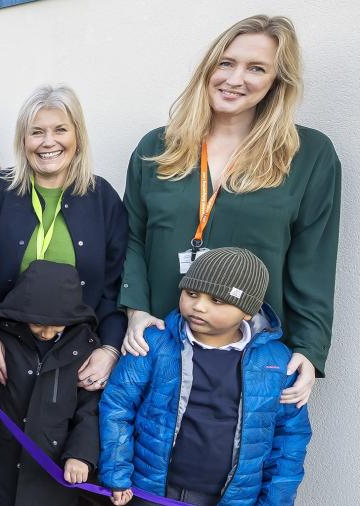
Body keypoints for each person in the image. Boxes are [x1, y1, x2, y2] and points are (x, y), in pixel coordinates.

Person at [119, 15, 341, 408]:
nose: (235, 79)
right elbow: (132, 237)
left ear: (277, 81)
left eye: (256, 68)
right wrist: (136, 313)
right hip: (159, 349)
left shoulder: (309, 156)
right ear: (209, 67)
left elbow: (314, 262)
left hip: (250, 361)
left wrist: (308, 348)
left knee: (240, 464)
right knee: (148, 461)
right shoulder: (157, 147)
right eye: (226, 63)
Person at [100, 248, 311, 505]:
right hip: (151, 491)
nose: (199, 306)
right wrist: (116, 473)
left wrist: (275, 501)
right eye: (191, 293)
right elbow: (118, 405)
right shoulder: (154, 344)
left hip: (233, 498)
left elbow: (290, 439)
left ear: (248, 311)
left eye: (218, 301)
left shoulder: (277, 363)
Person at [0, 84, 128, 394]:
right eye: (37, 132)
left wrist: (109, 348)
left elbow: (116, 285)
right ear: (23, 139)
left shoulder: (102, 199)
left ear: (77, 136)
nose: (48, 142)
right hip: (1, 357)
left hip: (76, 362)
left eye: (60, 130)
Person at [0, 260, 100, 506]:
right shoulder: (3, 343)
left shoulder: (84, 351)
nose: (46, 333)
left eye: (56, 327)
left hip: (51, 473)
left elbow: (90, 411)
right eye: (37, 324)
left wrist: (81, 456)